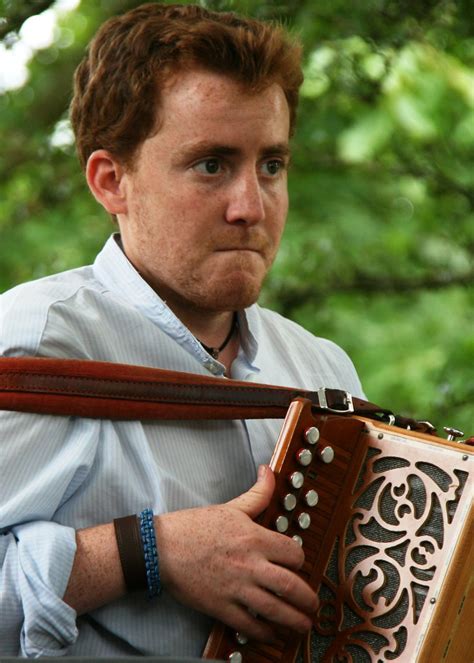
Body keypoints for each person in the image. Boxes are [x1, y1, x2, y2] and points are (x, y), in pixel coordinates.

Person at [0, 3, 365, 658]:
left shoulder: (325, 372)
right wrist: (149, 550)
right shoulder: (31, 341)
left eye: (272, 165)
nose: (251, 206)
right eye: (211, 165)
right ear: (112, 181)